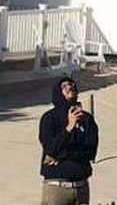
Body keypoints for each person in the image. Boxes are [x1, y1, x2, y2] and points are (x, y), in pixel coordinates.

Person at [38, 75, 98, 205]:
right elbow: (50, 148)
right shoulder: (49, 118)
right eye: (64, 86)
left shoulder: (87, 119)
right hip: (56, 188)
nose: (70, 87)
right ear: (57, 92)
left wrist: (61, 156)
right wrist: (69, 128)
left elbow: (90, 152)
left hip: (81, 187)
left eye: (71, 85)